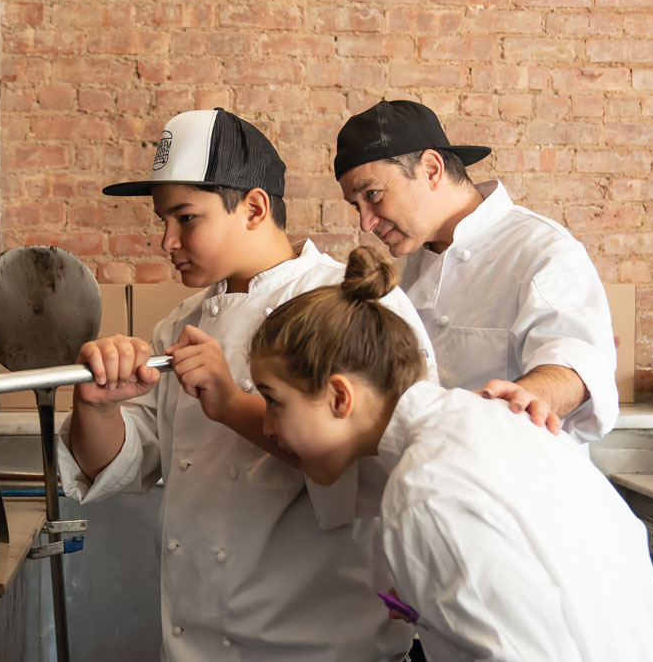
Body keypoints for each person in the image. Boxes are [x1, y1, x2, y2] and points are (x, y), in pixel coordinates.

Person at [56, 108, 438, 661]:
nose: (167, 241)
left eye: (186, 218)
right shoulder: (181, 324)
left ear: (254, 207)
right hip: (193, 642)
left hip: (319, 647)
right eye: (163, 220)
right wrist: (96, 406)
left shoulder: (346, 303)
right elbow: (124, 462)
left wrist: (234, 404)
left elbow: (382, 470)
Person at [249, 245, 653, 661]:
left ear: (339, 396)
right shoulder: (491, 421)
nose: (266, 427)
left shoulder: (424, 490)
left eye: (273, 400)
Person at [334, 100, 617, 445]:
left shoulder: (542, 249)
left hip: (515, 479)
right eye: (356, 206)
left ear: (432, 169)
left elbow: (575, 363)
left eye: (373, 194)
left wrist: (527, 395)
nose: (366, 222)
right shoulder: (403, 278)